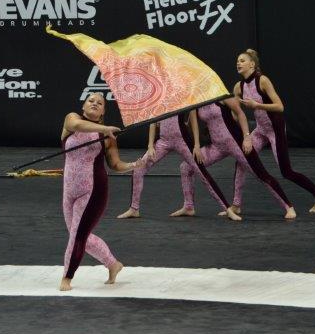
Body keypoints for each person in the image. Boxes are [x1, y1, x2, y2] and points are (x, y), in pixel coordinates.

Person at [59, 93, 144, 291]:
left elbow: (115, 164)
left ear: (103, 111)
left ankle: (66, 278)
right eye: (91, 101)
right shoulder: (72, 119)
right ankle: (113, 264)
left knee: (77, 236)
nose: (95, 104)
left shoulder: (107, 137)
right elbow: (77, 126)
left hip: (93, 191)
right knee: (79, 235)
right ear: (83, 106)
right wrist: (105, 129)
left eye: (100, 103)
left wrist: (134, 165)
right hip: (69, 190)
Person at [232, 50, 315, 214]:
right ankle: (236, 204)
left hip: (275, 130)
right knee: (241, 160)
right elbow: (236, 113)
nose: (238, 63)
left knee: (286, 172)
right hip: (260, 129)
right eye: (237, 61)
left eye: (242, 60)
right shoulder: (238, 87)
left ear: (252, 64)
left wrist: (257, 105)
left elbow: (280, 106)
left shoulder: (262, 80)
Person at [177, 97, 296, 220]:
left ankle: (288, 206)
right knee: (186, 167)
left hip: (236, 143)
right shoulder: (198, 101)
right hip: (217, 146)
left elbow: (240, 114)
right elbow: (193, 124)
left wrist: (247, 138)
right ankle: (189, 206)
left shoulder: (223, 97)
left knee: (260, 173)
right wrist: (196, 145)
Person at [117, 112, 242, 221]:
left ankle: (227, 209)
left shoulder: (181, 97)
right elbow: (153, 121)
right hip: (164, 141)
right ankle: (134, 208)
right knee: (139, 168)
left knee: (202, 173)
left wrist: (196, 145)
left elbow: (193, 120)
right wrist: (150, 146)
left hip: (182, 141)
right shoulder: (161, 97)